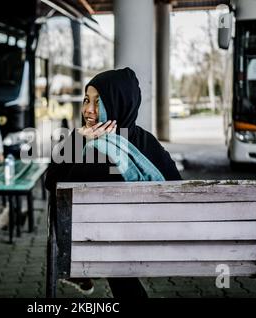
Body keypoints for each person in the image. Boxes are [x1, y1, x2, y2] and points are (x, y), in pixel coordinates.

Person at [45, 67, 181, 298]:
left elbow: (53, 183)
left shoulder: (97, 150)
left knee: (103, 235)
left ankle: (74, 270)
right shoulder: (147, 141)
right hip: (162, 241)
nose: (88, 109)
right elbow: (178, 187)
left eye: (99, 102)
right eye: (87, 100)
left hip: (110, 244)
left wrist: (78, 139)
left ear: (118, 103)